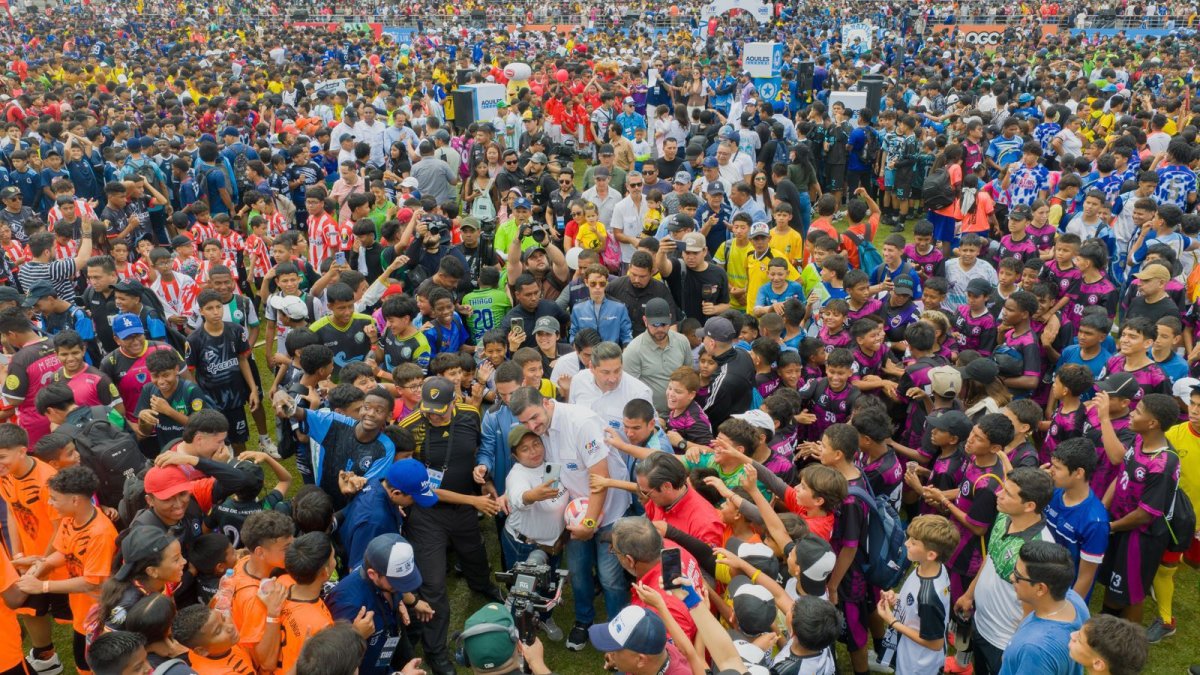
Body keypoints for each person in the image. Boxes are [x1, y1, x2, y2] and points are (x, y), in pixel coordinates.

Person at [508, 387, 631, 650]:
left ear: (546, 402)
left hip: (609, 512)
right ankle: (584, 621)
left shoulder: (581, 422)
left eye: (534, 417)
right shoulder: (542, 432)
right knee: (577, 572)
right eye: (524, 423)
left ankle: (619, 627)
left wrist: (589, 523)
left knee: (610, 577)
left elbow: (600, 478)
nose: (532, 426)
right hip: (575, 514)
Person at [396, 378, 500, 673]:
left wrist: (483, 473)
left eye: (440, 411)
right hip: (428, 515)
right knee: (433, 585)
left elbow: (482, 450)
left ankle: (482, 585)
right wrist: (474, 502)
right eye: (428, 410)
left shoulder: (470, 414)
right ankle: (436, 651)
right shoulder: (410, 426)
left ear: (454, 401)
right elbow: (421, 486)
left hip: (465, 508)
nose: (433, 416)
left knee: (473, 552)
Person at [325, 534, 433, 675]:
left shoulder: (377, 567)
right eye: (396, 583)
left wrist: (412, 602)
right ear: (373, 574)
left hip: (391, 642)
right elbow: (337, 660)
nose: (402, 588)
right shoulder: (348, 606)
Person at [999, 540, 1090, 675]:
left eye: (1018, 575)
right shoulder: (1074, 599)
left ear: (1041, 588)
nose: (1012, 577)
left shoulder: (1036, 650)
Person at [622, 297, 692, 413]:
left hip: (681, 412)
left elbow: (689, 377)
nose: (659, 329)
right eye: (655, 324)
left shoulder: (682, 341)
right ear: (645, 321)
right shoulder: (633, 350)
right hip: (652, 415)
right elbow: (629, 391)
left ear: (670, 319)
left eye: (664, 324)